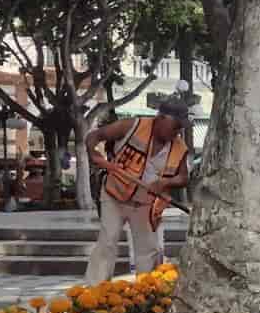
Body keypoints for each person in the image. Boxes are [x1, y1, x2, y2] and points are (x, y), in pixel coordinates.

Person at [82, 102, 191, 284]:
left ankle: (147, 292)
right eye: (175, 126)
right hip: (114, 195)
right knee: (107, 242)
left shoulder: (179, 148)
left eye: (181, 128)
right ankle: (96, 289)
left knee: (148, 250)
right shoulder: (131, 126)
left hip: (145, 204)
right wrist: (92, 153)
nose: (177, 132)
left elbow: (183, 178)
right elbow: (94, 136)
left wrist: (166, 182)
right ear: (161, 118)